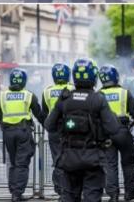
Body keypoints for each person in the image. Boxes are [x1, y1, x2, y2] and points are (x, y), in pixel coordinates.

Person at [44, 58, 119, 202]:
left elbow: (49, 125)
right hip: (93, 159)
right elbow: (113, 128)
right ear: (94, 77)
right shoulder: (98, 99)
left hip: (69, 158)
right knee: (91, 197)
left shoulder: (65, 98)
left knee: (69, 197)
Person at [0, 68, 45, 201]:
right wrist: (49, 126)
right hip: (23, 132)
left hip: (8, 133)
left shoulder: (3, 95)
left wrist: (4, 128)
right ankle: (17, 194)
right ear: (24, 81)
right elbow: (39, 114)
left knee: (13, 163)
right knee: (22, 164)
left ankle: (13, 191)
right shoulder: (28, 95)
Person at [98, 64, 134, 202]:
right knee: (129, 163)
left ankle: (113, 195)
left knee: (110, 165)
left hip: (106, 134)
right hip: (123, 132)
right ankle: (130, 193)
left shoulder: (99, 94)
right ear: (116, 76)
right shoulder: (124, 93)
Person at [41, 63, 75, 198]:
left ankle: (60, 189)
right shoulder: (74, 88)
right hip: (72, 129)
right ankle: (70, 189)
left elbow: (44, 114)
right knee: (72, 159)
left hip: (54, 131)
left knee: (58, 159)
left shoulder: (47, 91)